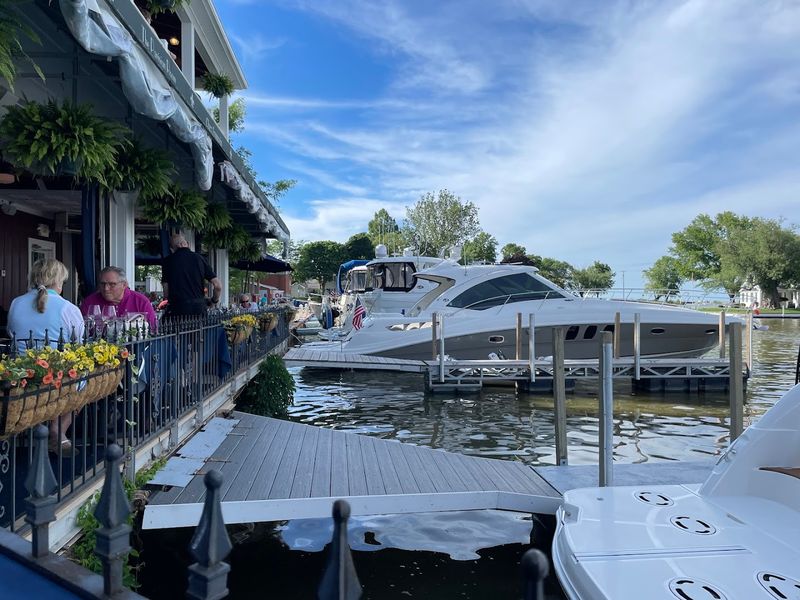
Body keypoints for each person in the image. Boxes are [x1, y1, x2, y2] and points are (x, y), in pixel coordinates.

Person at [7, 259, 84, 453]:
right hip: (58, 377)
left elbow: (11, 333)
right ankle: (59, 429)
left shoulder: (16, 303)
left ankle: (35, 428)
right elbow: (79, 343)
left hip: (24, 374)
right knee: (87, 378)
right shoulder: (68, 308)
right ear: (58, 281)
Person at [80, 266, 158, 331]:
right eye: (103, 284)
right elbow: (81, 331)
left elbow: (154, 330)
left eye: (112, 284)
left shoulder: (141, 301)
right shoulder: (90, 302)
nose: (106, 288)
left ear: (124, 285)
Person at [161, 233, 222, 317]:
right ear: (185, 244)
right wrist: (214, 301)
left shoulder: (168, 261)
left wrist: (166, 301)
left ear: (172, 249)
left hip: (178, 309)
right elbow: (218, 286)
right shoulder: (200, 258)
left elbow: (166, 291)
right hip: (199, 308)